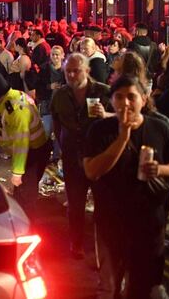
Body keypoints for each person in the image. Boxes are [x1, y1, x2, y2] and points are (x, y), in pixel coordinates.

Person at [84, 76, 169, 299]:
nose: (125, 103)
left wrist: (160, 170)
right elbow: (92, 170)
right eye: (119, 97)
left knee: (144, 283)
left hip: (150, 220)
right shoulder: (99, 130)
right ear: (111, 100)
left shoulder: (161, 127)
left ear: (144, 98)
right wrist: (122, 138)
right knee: (110, 284)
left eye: (131, 96)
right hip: (111, 219)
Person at [50, 52, 111, 259]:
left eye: (76, 70)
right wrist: (62, 144)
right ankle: (76, 243)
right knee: (75, 205)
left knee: (103, 206)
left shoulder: (104, 92)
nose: (72, 75)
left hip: (97, 157)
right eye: (68, 71)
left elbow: (119, 120)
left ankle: (102, 246)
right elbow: (57, 123)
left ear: (87, 70)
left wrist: (107, 115)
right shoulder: (59, 95)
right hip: (72, 158)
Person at [0, 68, 51, 218]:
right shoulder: (13, 97)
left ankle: (28, 228)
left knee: (25, 196)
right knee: (23, 193)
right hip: (32, 153)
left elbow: (21, 143)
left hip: (31, 155)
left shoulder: (15, 110)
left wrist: (17, 173)